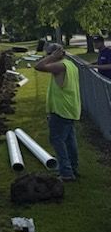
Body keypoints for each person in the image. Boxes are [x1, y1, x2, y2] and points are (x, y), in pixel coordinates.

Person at [34, 43, 81, 181]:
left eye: (48, 54)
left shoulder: (60, 66)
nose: (46, 57)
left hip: (61, 110)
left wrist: (52, 57)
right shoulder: (70, 65)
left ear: (57, 54)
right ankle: (72, 167)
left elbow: (38, 66)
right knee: (69, 141)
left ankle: (66, 173)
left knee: (57, 140)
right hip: (70, 108)